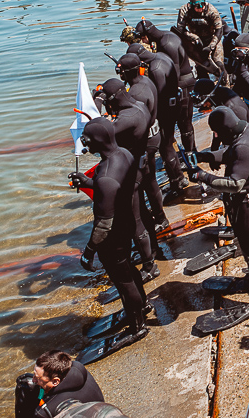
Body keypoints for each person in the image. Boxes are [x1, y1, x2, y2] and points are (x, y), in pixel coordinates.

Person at [68, 119, 150, 350]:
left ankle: (137, 326)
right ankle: (142, 306)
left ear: (92, 142)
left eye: (85, 138)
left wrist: (88, 252)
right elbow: (117, 187)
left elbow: (103, 225)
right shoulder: (124, 154)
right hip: (127, 225)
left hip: (113, 235)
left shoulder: (105, 175)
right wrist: (90, 182)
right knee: (129, 271)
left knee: (123, 282)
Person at [193, 107, 249, 317]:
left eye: (217, 132)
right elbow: (229, 155)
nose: (216, 136)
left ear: (226, 128)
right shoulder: (247, 131)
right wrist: (202, 156)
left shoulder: (244, 145)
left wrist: (203, 177)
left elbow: (235, 183)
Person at [93, 77, 161, 273]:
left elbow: (101, 132)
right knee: (142, 214)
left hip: (132, 172)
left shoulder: (126, 119)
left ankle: (149, 266)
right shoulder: (138, 105)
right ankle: (152, 249)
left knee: (135, 221)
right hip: (139, 164)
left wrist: (97, 102)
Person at [123, 38, 190, 196]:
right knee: (167, 146)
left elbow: (160, 95)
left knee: (166, 147)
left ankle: (178, 180)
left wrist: (154, 117)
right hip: (174, 105)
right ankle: (177, 178)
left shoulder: (155, 69)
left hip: (168, 111)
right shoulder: (160, 56)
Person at [115, 53, 170, 243]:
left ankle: (157, 219)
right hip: (154, 135)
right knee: (151, 179)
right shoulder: (145, 81)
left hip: (145, 143)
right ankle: (160, 216)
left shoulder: (136, 92)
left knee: (145, 181)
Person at [133, 19, 196, 155]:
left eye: (143, 39)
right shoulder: (166, 37)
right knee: (180, 121)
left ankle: (191, 153)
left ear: (146, 36)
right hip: (183, 83)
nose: (143, 42)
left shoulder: (166, 44)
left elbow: (173, 74)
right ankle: (181, 150)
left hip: (183, 85)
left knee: (184, 122)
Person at [16, 350, 104, 418]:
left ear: (55, 381)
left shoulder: (46, 411)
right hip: (101, 410)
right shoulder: (79, 369)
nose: (34, 380)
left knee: (24, 383)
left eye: (38, 378)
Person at [176, 0, 225, 81]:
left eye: (202, 6)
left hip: (212, 37)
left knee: (219, 64)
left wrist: (211, 46)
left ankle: (225, 85)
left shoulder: (212, 10)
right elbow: (180, 29)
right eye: (197, 7)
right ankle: (205, 85)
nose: (200, 9)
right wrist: (193, 37)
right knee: (200, 65)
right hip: (196, 40)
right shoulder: (185, 10)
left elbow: (219, 30)